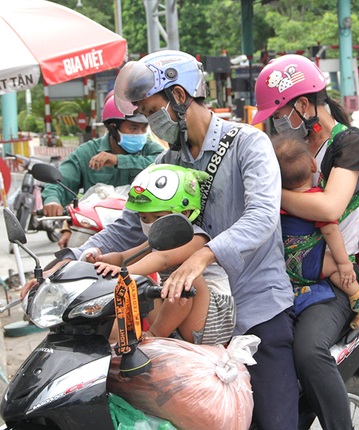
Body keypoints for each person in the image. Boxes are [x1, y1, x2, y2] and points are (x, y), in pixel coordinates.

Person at [29, 50, 298, 429]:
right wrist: (77, 254)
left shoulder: (247, 143)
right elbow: (127, 227)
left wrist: (203, 256)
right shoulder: (166, 163)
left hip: (256, 308)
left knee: (273, 423)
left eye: (152, 109)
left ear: (180, 95)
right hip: (190, 323)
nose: (150, 122)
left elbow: (262, 216)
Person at [252, 54, 359, 429]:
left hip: (334, 277)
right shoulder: (288, 149)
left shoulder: (349, 143)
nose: (275, 125)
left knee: (308, 351)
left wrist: (269, 197)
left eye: (277, 115)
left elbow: (329, 206)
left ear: (303, 106)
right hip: (284, 275)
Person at [89, 164, 235, 346]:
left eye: (157, 218)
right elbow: (123, 257)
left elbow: (162, 260)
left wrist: (123, 272)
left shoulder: (195, 238)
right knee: (140, 284)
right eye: (144, 218)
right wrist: (99, 260)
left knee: (187, 278)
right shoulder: (156, 240)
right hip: (177, 313)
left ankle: (156, 333)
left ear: (184, 213)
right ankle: (118, 338)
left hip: (211, 318)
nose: (149, 224)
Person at [272, 134, 359, 315]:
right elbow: (330, 231)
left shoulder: (276, 201)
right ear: (314, 165)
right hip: (307, 262)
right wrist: (344, 264)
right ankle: (358, 297)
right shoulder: (315, 201)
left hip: (282, 263)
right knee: (336, 265)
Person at [41, 93, 165, 248]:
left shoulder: (151, 149)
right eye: (133, 128)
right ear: (113, 128)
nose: (139, 134)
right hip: (94, 235)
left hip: (141, 234)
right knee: (66, 264)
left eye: (143, 128)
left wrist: (118, 160)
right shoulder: (87, 152)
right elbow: (60, 181)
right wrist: (53, 201)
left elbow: (162, 164)